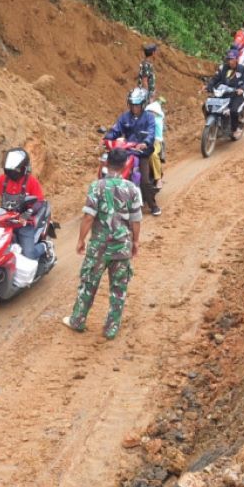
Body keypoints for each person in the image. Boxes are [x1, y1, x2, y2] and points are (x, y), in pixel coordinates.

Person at [61, 148, 142, 340]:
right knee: (118, 288)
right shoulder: (132, 188)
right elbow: (136, 219)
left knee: (89, 283)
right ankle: (111, 328)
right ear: (125, 166)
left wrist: (81, 239)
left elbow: (89, 216)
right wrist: (136, 241)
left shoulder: (96, 186)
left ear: (106, 164)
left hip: (99, 246)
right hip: (122, 246)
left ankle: (78, 320)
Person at [0, 148, 52, 261]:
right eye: (9, 169)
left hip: (23, 224)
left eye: (14, 170)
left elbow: (39, 202)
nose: (11, 172)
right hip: (4, 222)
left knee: (29, 255)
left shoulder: (31, 181)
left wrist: (28, 212)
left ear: (22, 168)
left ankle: (45, 246)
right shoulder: (2, 180)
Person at [105, 87, 160, 216]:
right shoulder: (125, 117)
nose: (135, 107)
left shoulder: (149, 118)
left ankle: (153, 206)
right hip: (126, 150)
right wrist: (107, 137)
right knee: (110, 169)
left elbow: (151, 133)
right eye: (132, 105)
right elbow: (116, 130)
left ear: (143, 104)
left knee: (144, 180)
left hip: (142, 152)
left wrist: (145, 143)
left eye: (137, 105)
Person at [203, 49, 244, 141]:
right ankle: (213, 124)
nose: (230, 61)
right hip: (223, 93)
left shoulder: (242, 69)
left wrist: (241, 89)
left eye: (232, 59)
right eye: (228, 59)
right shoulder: (223, 68)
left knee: (233, 111)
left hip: (236, 95)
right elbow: (215, 79)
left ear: (236, 59)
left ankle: (234, 129)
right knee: (206, 106)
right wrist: (208, 86)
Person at [145, 95, 166, 190]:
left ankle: (158, 179)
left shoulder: (157, 122)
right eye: (148, 112)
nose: (150, 113)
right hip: (141, 142)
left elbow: (157, 137)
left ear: (156, 113)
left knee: (153, 155)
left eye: (152, 112)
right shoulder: (143, 120)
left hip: (155, 142)